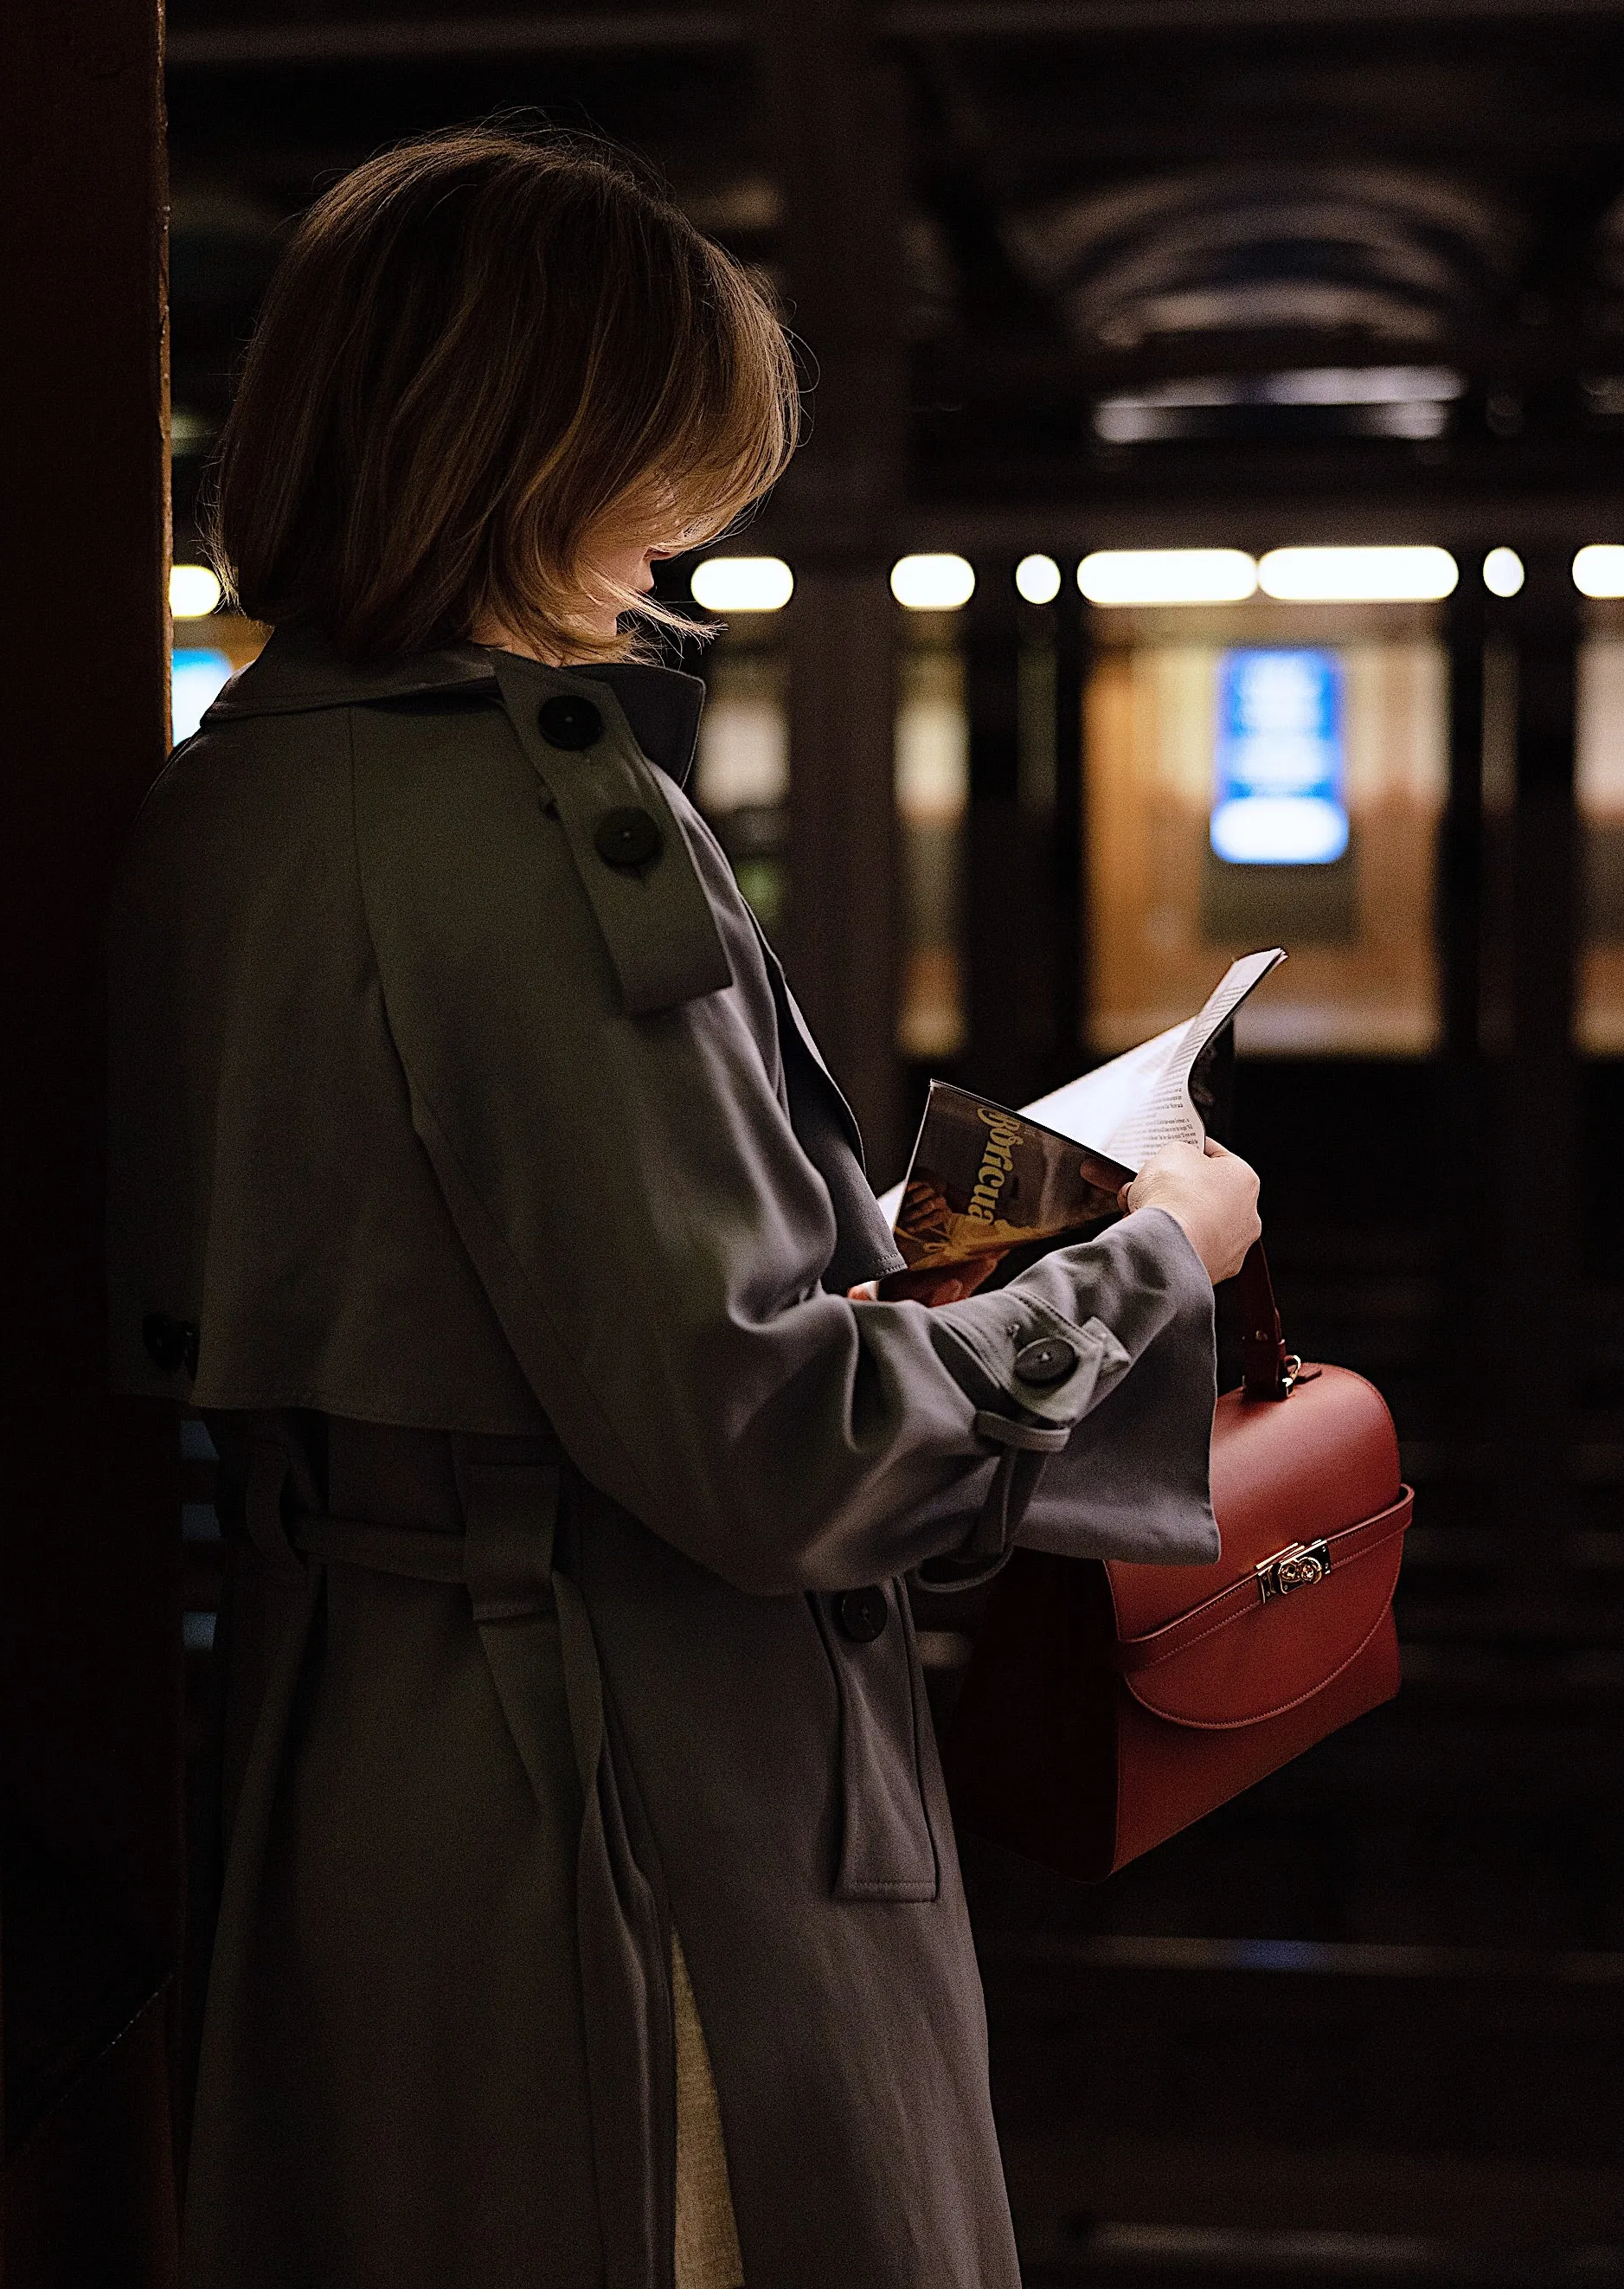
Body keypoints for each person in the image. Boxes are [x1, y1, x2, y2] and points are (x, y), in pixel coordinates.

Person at [106, 127, 1261, 2289]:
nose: (687, 531)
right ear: (554, 453)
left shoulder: (232, 786)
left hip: (359, 1755)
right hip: (633, 1805)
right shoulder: (531, 823)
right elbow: (769, 1446)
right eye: (672, 462)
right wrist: (1141, 1260)